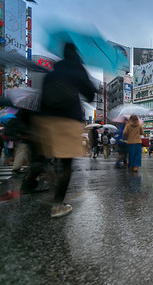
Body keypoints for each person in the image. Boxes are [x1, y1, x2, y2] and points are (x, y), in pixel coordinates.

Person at [23, 43, 96, 217]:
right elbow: (90, 96)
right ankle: (58, 205)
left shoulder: (52, 73)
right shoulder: (77, 70)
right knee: (66, 165)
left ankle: (30, 181)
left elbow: (41, 101)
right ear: (76, 55)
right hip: (68, 120)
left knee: (45, 157)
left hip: (46, 122)